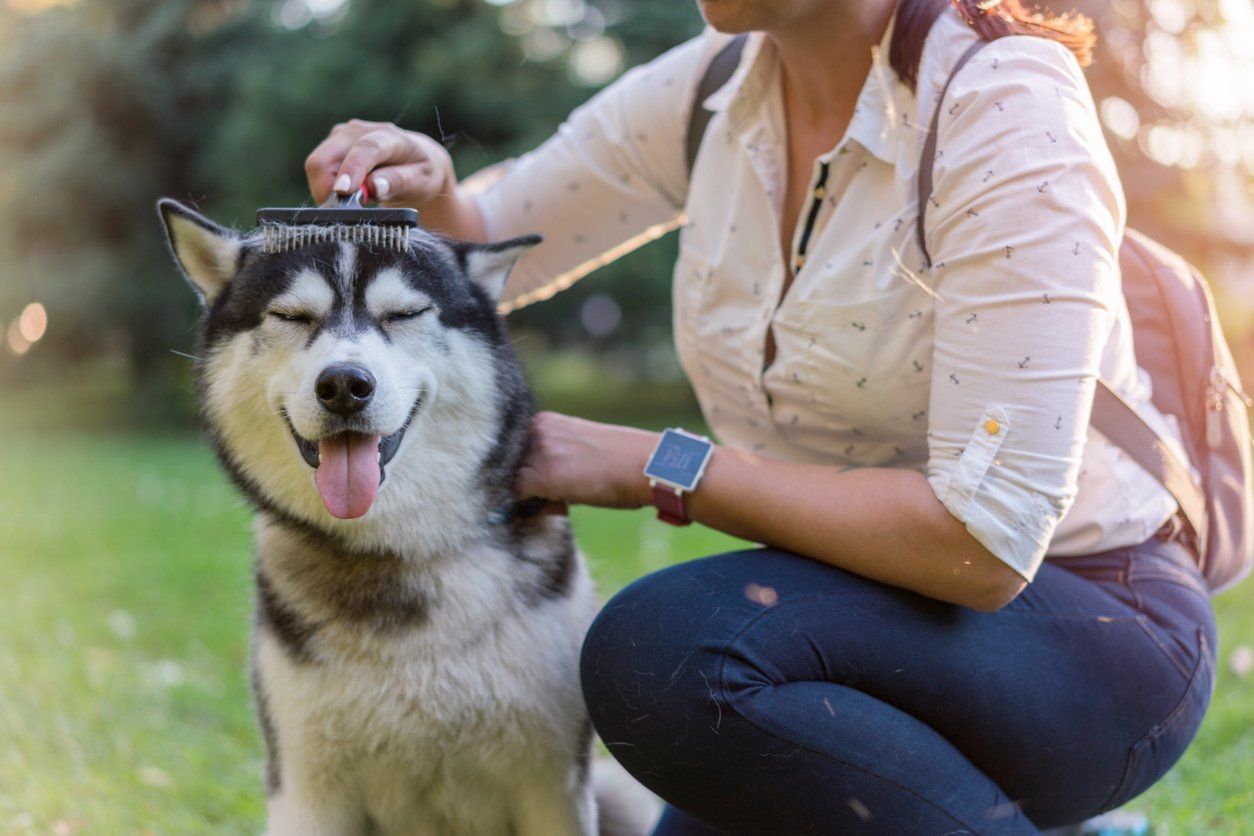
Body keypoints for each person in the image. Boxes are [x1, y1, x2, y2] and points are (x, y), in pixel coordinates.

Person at [303, 0, 1217, 832]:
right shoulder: (715, 81)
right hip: (859, 613)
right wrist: (432, 198)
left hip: (1092, 624)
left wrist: (651, 464)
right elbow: (495, 238)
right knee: (684, 687)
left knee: (665, 655)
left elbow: (983, 544)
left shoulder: (1006, 108)